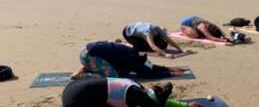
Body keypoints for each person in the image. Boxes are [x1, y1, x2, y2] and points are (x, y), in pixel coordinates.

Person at [70, 42, 191, 80]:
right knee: (114, 77)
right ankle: (81, 77)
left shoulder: (131, 52)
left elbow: (150, 67)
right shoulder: (133, 59)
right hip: (92, 57)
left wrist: (168, 69)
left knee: (117, 70)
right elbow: (147, 73)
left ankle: (82, 69)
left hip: (84, 53)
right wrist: (170, 73)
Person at [62, 78, 201, 107]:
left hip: (72, 88)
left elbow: (159, 100)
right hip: (76, 100)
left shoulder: (137, 86)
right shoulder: (139, 97)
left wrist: (185, 106)